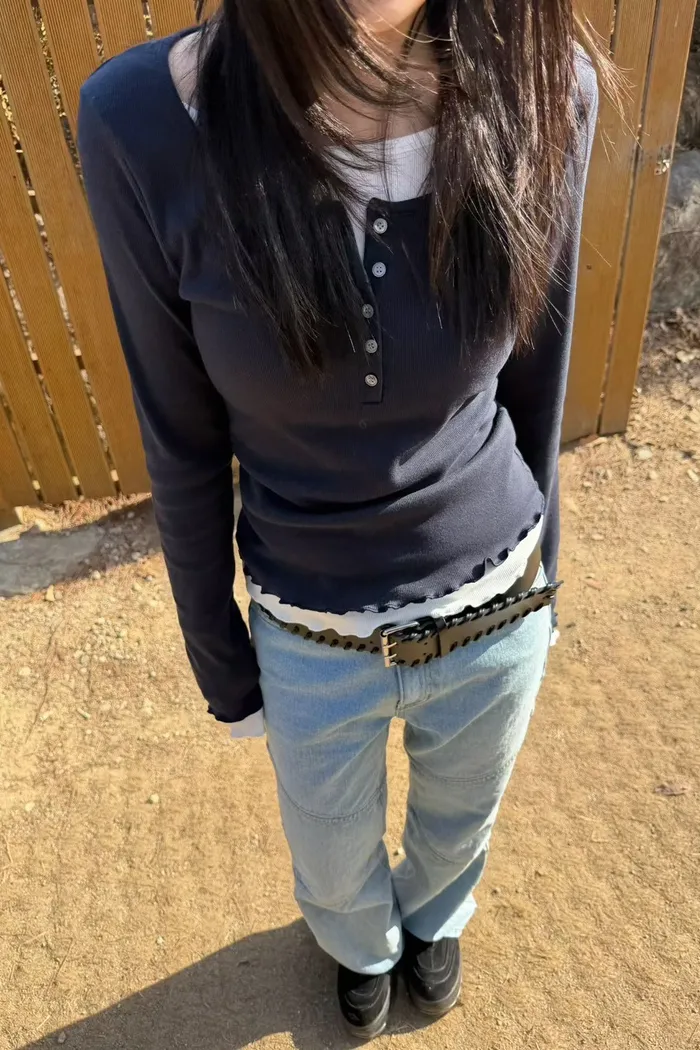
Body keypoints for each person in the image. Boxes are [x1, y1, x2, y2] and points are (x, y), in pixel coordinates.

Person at [78, 0, 608, 1038]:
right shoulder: (142, 122)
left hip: (497, 607)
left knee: (460, 819)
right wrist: (219, 657)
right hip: (309, 635)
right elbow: (179, 433)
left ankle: (435, 918)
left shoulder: (551, 85)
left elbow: (538, 372)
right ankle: (359, 942)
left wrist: (545, 577)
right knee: (329, 854)